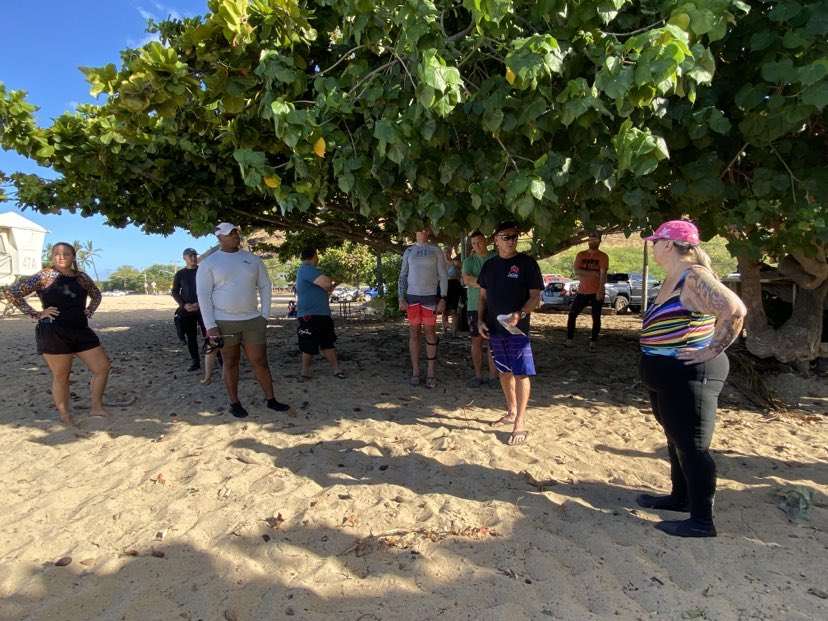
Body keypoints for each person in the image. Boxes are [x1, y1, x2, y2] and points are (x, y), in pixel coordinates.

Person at [636, 220, 746, 538]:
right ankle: (680, 498)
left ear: (669, 244)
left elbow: (735, 310)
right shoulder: (674, 277)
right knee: (676, 438)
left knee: (693, 446)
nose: (652, 246)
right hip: (667, 375)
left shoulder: (694, 276)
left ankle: (701, 521)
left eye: (655, 241)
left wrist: (712, 349)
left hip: (690, 374)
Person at [2, 242, 111, 426]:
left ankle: (96, 407)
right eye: (56, 254)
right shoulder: (45, 276)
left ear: (73, 257)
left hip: (81, 330)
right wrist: (36, 313)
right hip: (53, 331)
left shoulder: (81, 277)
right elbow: (12, 293)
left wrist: (90, 309)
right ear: (52, 256)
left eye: (65, 254)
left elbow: (96, 295)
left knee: (102, 367)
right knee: (62, 376)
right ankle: (65, 414)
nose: (61, 257)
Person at [196, 222, 289, 418]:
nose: (235, 236)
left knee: (260, 361)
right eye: (230, 234)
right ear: (219, 237)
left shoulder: (252, 260)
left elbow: (265, 286)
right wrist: (210, 326)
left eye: (236, 233)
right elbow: (203, 295)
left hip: (253, 320)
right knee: (230, 362)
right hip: (224, 321)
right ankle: (234, 402)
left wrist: (264, 314)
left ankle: (271, 399)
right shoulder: (209, 263)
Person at [477, 223, 543, 445]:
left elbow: (536, 296)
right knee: (504, 373)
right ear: (495, 239)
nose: (511, 240)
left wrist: (521, 313)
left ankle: (520, 422)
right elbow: (483, 297)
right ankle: (511, 411)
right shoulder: (489, 266)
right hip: (494, 329)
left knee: (521, 373)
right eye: (506, 237)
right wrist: (479, 320)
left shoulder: (527, 264)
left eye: (514, 237)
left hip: (517, 330)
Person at [398, 225, 448, 388]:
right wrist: (401, 297)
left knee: (430, 333)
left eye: (427, 229)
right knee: (413, 333)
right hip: (412, 297)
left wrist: (443, 298)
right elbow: (403, 276)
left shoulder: (436, 250)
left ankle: (431, 373)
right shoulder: (409, 251)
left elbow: (443, 275)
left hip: (430, 297)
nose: (424, 232)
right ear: (415, 231)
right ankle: (416, 371)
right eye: (421, 229)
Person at [295, 247, 344, 380]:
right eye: (317, 255)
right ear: (314, 256)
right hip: (310, 315)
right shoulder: (307, 269)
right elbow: (327, 282)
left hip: (321, 313)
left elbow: (327, 288)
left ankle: (336, 370)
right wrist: (333, 280)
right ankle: (305, 372)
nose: (318, 258)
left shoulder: (309, 271)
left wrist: (333, 284)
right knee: (309, 344)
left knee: (327, 342)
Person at [462, 231, 497, 387]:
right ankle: (477, 376)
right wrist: (487, 283)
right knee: (476, 341)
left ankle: (493, 377)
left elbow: (499, 279)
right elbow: (466, 279)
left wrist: (479, 282)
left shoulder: (495, 258)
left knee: (492, 342)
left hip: (494, 306)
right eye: (474, 243)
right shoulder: (468, 260)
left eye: (479, 242)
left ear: (486, 241)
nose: (477, 245)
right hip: (473, 306)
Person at [566, 231, 609, 351]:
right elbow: (577, 272)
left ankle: (593, 342)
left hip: (596, 291)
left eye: (594, 238)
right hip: (582, 291)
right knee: (572, 314)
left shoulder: (603, 256)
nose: (591, 240)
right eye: (590, 238)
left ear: (599, 240)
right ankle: (569, 339)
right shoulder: (581, 255)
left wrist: (600, 290)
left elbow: (603, 274)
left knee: (596, 317)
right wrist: (594, 273)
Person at [171, 248, 204, 371]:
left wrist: (200, 303)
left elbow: (212, 288)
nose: (193, 258)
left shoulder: (203, 271)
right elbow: (175, 292)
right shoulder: (180, 274)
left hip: (203, 307)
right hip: (187, 308)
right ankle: (195, 361)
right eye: (190, 256)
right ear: (184, 258)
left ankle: (219, 358)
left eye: (195, 255)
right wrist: (183, 305)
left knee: (209, 334)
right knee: (191, 336)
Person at [441, 246, 462, 336]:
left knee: (454, 310)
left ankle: (454, 331)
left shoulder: (455, 263)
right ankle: (445, 330)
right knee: (444, 310)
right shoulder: (441, 263)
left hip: (455, 287)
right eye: (445, 252)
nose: (446, 254)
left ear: (450, 253)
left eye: (448, 252)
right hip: (445, 286)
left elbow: (461, 274)